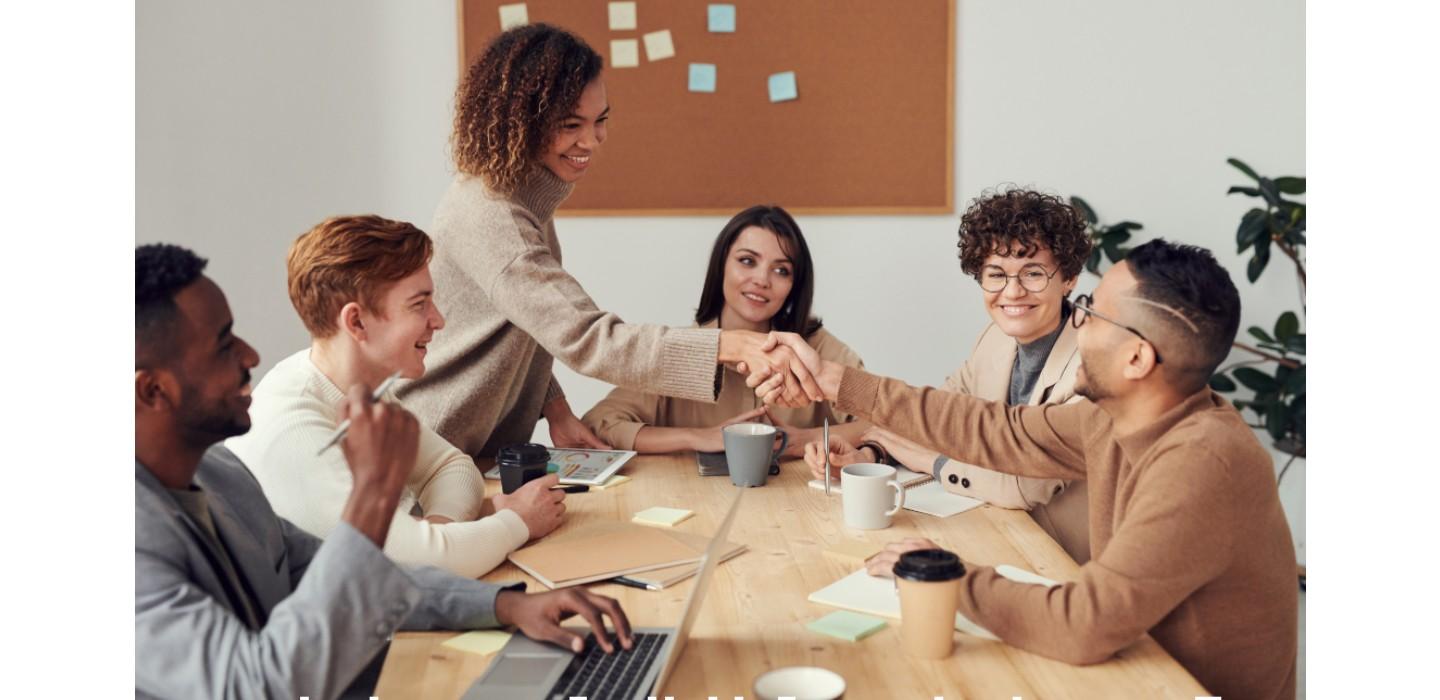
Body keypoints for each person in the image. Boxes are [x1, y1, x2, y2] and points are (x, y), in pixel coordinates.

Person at [754, 240, 1298, 699]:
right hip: (1133, 667)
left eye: (1089, 311)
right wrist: (836, 381)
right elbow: (998, 430)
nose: (1074, 321)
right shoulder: (1115, 418)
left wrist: (949, 577)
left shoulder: (1202, 461)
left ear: (1137, 358)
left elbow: (1083, 624)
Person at [135, 244, 633, 699]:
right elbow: (259, 685)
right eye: (224, 345)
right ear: (152, 390)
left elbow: (353, 575)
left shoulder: (219, 474)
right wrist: (373, 494)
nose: (251, 355)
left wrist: (505, 607)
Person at [397, 24, 821, 460]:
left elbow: (528, 323)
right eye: (571, 125)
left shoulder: (521, 199)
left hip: (473, 452)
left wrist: (555, 408)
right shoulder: (494, 216)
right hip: (431, 450)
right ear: (521, 123)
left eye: (600, 120)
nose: (592, 140)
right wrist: (728, 345)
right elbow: (588, 337)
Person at [226, 216, 563, 579]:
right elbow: (419, 568)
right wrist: (516, 522)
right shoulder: (295, 431)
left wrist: (438, 532)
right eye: (419, 305)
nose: (438, 321)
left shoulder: (359, 386)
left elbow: (451, 466)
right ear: (356, 323)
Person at [804, 188, 1093, 562]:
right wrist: (870, 454)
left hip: (1064, 560)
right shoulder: (994, 339)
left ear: (1068, 278)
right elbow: (936, 419)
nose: (1013, 291)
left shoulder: (1091, 365)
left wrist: (933, 463)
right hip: (997, 535)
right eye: (996, 274)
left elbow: (1023, 487)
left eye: (1033, 273)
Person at [581, 205, 864, 455]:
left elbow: (888, 423)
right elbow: (599, 424)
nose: (762, 280)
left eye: (781, 271)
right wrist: (699, 437)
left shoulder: (818, 349)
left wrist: (808, 439)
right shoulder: (681, 351)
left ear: (795, 285)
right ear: (722, 266)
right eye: (747, 261)